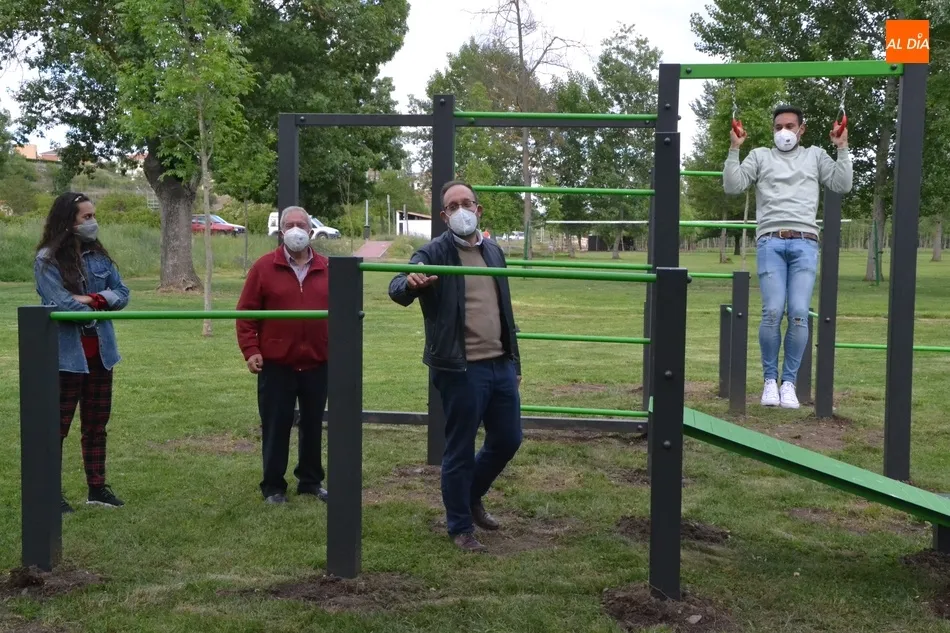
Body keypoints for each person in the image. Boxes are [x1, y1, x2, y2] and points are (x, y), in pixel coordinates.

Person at [389, 180, 523, 552]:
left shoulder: (495, 252)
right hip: (461, 369)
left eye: (467, 203)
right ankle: (460, 527)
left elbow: (504, 311)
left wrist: (515, 363)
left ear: (478, 210)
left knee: (509, 439)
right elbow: (398, 284)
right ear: (444, 215)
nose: (461, 210)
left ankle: (470, 496)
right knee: (460, 448)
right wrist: (411, 283)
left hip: (499, 365)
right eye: (453, 205)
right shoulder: (432, 253)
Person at [723, 105, 852, 409]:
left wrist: (842, 147)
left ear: (801, 129)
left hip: (805, 242)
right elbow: (732, 185)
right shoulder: (760, 156)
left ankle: (789, 383)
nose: (784, 132)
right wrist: (734, 148)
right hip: (771, 241)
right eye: (779, 126)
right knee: (771, 311)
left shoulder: (816, 156)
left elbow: (842, 184)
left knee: (797, 312)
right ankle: (770, 381)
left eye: (790, 126)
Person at [34, 192, 131, 512]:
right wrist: (98, 301)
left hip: (101, 355)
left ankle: (97, 488)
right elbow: (61, 305)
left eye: (93, 216)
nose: (93, 222)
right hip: (65, 357)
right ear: (68, 221)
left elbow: (123, 293)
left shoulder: (99, 256)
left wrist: (93, 300)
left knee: (96, 426)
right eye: (86, 218)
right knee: (56, 427)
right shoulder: (47, 260)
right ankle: (50, 493)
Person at [236, 206, 329, 504]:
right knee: (276, 425)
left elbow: (342, 314)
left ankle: (311, 481)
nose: (296, 229)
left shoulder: (328, 268)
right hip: (277, 364)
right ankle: (274, 486)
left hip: (318, 363)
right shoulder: (263, 268)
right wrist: (251, 350)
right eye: (290, 224)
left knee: (314, 425)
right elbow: (246, 313)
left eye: (302, 224)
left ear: (311, 231)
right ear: (281, 231)